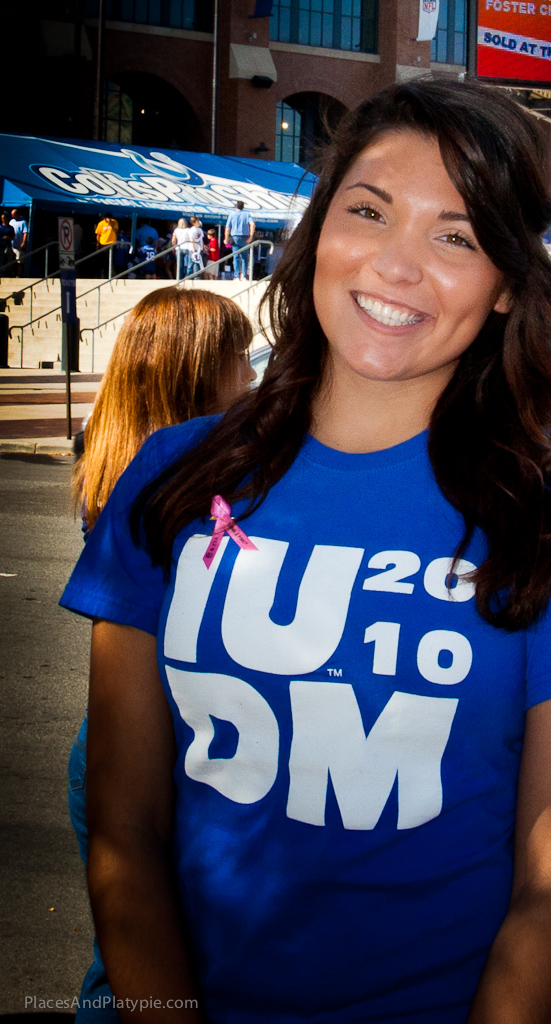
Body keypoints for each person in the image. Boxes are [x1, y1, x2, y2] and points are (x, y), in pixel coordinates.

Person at [60, 80, 551, 1024]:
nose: (396, 265)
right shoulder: (172, 477)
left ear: (508, 281)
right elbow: (122, 830)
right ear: (318, 230)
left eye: (456, 236)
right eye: (367, 211)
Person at [67, 287, 256, 1021]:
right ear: (196, 371)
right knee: (157, 967)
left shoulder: (108, 449)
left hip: (110, 741)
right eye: (239, 360)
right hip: (179, 744)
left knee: (122, 963)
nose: (252, 378)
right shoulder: (190, 479)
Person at [224, 199, 255, 280]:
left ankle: (236, 276)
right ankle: (244, 276)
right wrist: (251, 236)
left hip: (235, 237)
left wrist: (226, 239)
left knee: (236, 257)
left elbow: (227, 228)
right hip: (245, 237)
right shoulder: (247, 214)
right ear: (243, 207)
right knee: (245, 258)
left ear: (235, 206)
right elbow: (252, 224)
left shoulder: (232, 214)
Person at [9, 207, 28, 276]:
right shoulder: (11, 221)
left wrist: (24, 242)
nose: (12, 216)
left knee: (19, 260)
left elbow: (25, 233)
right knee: (10, 260)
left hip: (19, 244)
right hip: (12, 244)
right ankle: (12, 273)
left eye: (13, 214)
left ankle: (18, 274)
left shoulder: (23, 222)